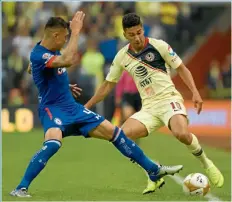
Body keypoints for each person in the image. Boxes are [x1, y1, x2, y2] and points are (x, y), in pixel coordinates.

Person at [10, 12, 183, 197]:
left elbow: (32, 69)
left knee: (116, 133)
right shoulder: (39, 55)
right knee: (53, 143)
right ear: (55, 36)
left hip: (73, 108)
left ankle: (153, 170)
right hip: (52, 109)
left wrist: (59, 84)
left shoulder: (47, 52)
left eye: (69, 36)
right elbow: (66, 61)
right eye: (65, 37)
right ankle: (21, 187)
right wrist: (76, 32)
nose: (67, 40)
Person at [85, 13, 224, 194]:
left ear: (143, 29)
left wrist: (195, 92)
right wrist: (87, 106)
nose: (137, 37)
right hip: (149, 107)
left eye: (139, 32)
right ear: (125, 35)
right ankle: (152, 174)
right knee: (122, 138)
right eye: (132, 35)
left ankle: (207, 163)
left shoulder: (159, 46)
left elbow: (181, 68)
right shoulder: (122, 56)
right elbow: (107, 86)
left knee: (181, 134)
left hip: (169, 100)